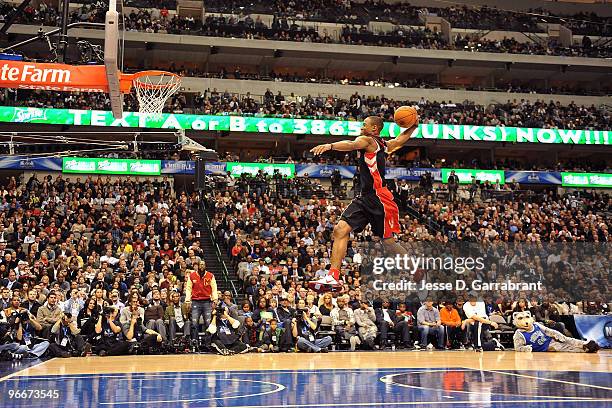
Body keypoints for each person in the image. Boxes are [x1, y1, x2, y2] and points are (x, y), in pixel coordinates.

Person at [308, 115, 419, 292]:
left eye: (364, 124)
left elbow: (351, 145)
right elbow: (399, 140)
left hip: (379, 199)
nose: (361, 126)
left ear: (374, 128)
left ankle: (415, 268)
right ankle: (333, 276)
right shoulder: (383, 144)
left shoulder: (367, 140)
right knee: (340, 229)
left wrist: (330, 146)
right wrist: (413, 127)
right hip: (365, 197)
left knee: (388, 242)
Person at [185, 261, 218, 343]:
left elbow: (214, 288)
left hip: (207, 301)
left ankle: (209, 343)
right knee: (194, 323)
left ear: (205, 266)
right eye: (200, 264)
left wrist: (215, 299)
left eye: (203, 264)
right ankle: (194, 343)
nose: (202, 266)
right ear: (197, 266)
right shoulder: (192, 276)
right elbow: (188, 289)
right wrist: (187, 300)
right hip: (196, 301)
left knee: (208, 323)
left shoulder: (210, 275)